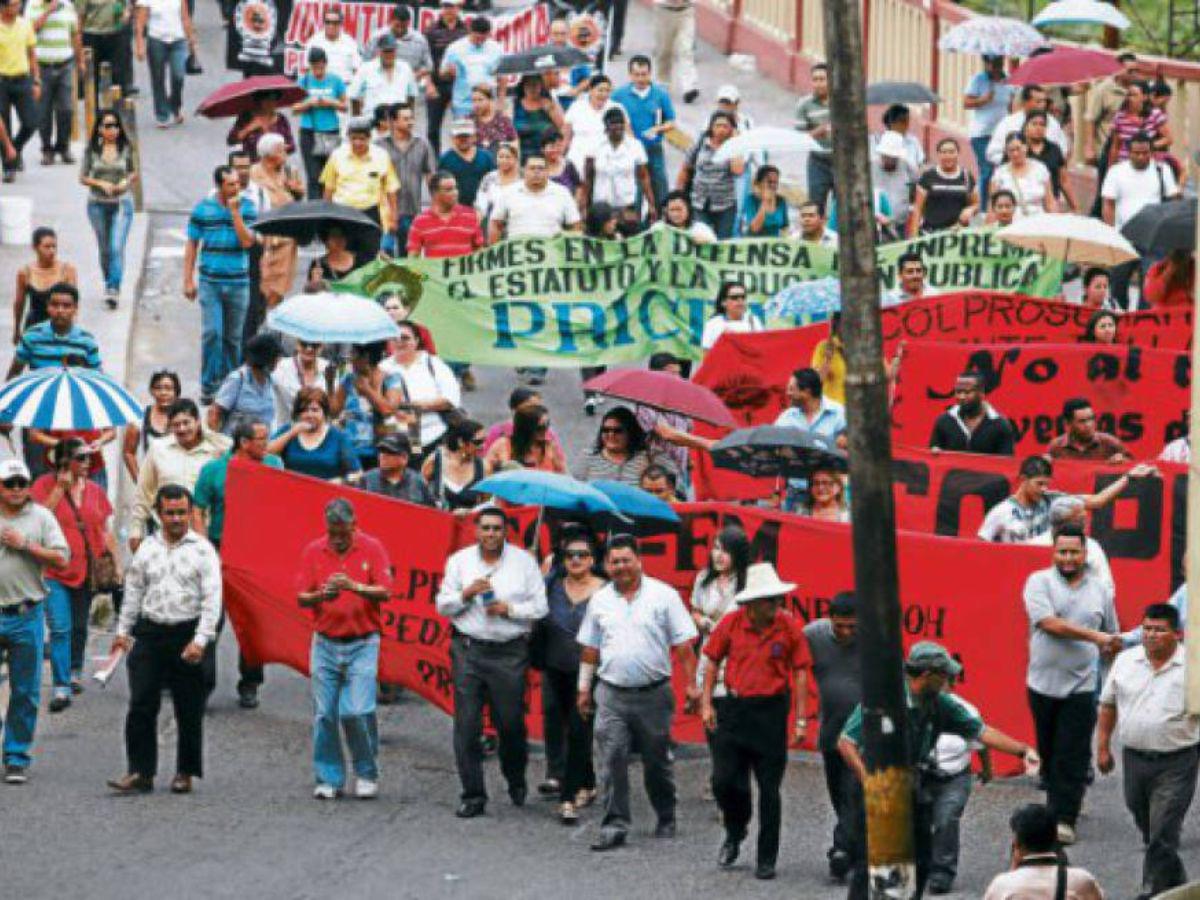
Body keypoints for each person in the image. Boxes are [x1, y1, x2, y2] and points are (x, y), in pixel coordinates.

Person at [840, 641, 1042, 898]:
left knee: (920, 860)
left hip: (912, 784)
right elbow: (846, 742)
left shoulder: (941, 703)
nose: (949, 680)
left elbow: (981, 731)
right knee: (873, 862)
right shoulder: (885, 699)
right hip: (877, 785)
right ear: (927, 675)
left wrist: (1023, 751)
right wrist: (869, 781)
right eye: (944, 675)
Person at [577, 533, 699, 851]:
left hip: (654, 695)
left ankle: (666, 813)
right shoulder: (600, 600)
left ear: (639, 561)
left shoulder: (664, 596)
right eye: (614, 562)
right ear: (607, 565)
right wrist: (583, 688)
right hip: (611, 694)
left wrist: (693, 685)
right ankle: (614, 825)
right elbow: (590, 648)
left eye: (626, 560)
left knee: (656, 761)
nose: (621, 567)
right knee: (612, 758)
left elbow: (684, 646)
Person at [107, 484, 221, 796]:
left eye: (182, 512)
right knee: (141, 703)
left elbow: (212, 600)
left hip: (187, 633)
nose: (176, 519)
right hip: (150, 632)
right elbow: (133, 592)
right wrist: (122, 632)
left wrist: (201, 640)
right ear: (159, 514)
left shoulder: (203, 551)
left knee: (189, 707)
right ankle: (140, 771)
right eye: (170, 513)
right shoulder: (147, 548)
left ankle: (186, 771)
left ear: (190, 513)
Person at [436, 506, 547, 817]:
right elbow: (442, 605)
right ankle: (473, 794)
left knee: (510, 725)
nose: (491, 534)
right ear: (476, 531)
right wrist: (466, 594)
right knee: (466, 725)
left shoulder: (524, 562)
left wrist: (508, 609)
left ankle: (515, 777)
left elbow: (540, 607)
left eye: (497, 528)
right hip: (468, 650)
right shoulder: (460, 561)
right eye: (485, 528)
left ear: (506, 531)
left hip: (509, 653)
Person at [701, 562, 809, 882]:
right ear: (752, 603)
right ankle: (735, 829)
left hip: (771, 712)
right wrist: (706, 703)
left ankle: (767, 858)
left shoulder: (788, 626)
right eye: (769, 600)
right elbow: (711, 661)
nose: (776, 605)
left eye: (777, 599)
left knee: (770, 789)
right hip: (734, 708)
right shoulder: (731, 624)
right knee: (724, 781)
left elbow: (800, 670)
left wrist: (801, 719)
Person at [1024, 524, 1121, 845]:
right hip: (1041, 684)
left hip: (1082, 686)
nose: (1068, 558)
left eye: (1074, 552)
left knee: (1072, 752)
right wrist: (1094, 636)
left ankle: (1064, 817)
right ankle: (1060, 800)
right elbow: (1048, 623)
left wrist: (1114, 672)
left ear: (1085, 553)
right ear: (1053, 552)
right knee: (1049, 753)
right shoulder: (1038, 582)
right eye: (1062, 551)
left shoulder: (1101, 590)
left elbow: (1111, 634)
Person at [1099, 603, 1199, 898]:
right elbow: (1108, 705)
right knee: (1140, 813)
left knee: (1163, 829)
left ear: (1177, 634)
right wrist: (1102, 746)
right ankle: (1176, 882)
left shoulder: (1192, 668)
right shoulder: (1126, 661)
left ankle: (1153, 890)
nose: (1151, 635)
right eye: (1147, 629)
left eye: (1159, 630)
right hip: (1135, 758)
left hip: (1177, 761)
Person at [296, 497, 392, 800]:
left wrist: (354, 586)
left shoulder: (372, 548)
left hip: (363, 642)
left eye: (343, 533)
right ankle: (329, 777)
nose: (337, 539)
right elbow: (301, 596)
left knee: (356, 711)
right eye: (332, 532)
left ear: (354, 526)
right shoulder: (314, 550)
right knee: (325, 714)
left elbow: (386, 591)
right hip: (325, 642)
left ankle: (366, 771)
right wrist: (321, 595)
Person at [192, 417, 280, 708]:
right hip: (221, 549)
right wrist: (206, 549)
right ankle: (202, 685)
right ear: (244, 443)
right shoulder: (214, 470)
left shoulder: (274, 466)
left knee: (253, 623)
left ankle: (250, 682)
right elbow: (198, 509)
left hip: (257, 553)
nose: (267, 444)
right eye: (262, 439)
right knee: (210, 619)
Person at [31, 438, 116, 711]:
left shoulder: (95, 490)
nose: (87, 462)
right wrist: (60, 489)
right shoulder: (43, 485)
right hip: (53, 571)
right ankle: (61, 686)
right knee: (60, 628)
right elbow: (35, 521)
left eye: (88, 457)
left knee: (79, 626)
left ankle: (74, 670)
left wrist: (116, 564)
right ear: (64, 461)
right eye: (81, 457)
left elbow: (105, 529)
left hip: (86, 571)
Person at [0, 457, 68, 782]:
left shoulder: (41, 517)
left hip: (26, 613)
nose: (16, 489)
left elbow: (62, 558)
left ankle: (16, 756)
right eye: (9, 484)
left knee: (25, 690)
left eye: (21, 484)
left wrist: (26, 544)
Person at [536, 530, 604, 823]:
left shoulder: (605, 590)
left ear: (592, 559)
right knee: (557, 722)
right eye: (570, 555)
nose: (575, 560)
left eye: (582, 555)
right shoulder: (551, 584)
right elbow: (532, 605)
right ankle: (587, 783)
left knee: (579, 729)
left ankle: (568, 797)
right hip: (554, 668)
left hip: (589, 671)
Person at [184, 165, 257, 405]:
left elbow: (247, 242)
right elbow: (192, 244)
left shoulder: (248, 208)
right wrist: (188, 279)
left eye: (238, 184)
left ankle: (230, 385)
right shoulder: (203, 210)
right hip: (210, 282)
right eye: (230, 184)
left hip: (238, 282)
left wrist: (235, 214)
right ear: (219, 186)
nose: (236, 188)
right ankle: (209, 384)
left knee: (233, 338)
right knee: (212, 333)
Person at [803, 592, 860, 882]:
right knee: (838, 792)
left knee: (852, 790)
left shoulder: (877, 639)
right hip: (830, 731)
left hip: (863, 736)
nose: (846, 632)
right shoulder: (813, 635)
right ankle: (854, 847)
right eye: (840, 626)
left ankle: (841, 850)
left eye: (852, 627)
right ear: (829, 620)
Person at [978, 455, 1153, 544]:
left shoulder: (1054, 501)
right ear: (1023, 479)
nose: (1044, 489)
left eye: (1046, 484)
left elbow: (1097, 501)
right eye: (1039, 484)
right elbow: (981, 548)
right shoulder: (1000, 511)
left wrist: (1128, 478)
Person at [129, 399, 229, 549]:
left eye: (186, 423)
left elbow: (233, 446)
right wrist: (135, 531)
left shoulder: (215, 450)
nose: (182, 429)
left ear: (198, 421)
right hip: (167, 534)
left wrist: (207, 433)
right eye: (176, 425)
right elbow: (144, 491)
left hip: (206, 533)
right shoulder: (158, 449)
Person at [1101, 132, 1179, 307]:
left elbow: (1173, 200)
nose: (1141, 157)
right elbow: (1108, 204)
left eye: (1145, 153)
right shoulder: (1116, 172)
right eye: (1137, 153)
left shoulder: (1162, 170)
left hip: (1154, 237)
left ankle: (1142, 318)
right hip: (1123, 236)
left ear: (1151, 152)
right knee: (1118, 282)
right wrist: (1110, 234)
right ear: (1129, 152)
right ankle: (1118, 314)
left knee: (1149, 285)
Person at [982, 803, 1106, 899]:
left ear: (1017, 844)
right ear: (1055, 840)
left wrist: (1014, 869)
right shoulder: (1082, 880)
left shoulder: (1002, 885)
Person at [80, 109, 138, 307]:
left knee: (116, 246)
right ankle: (109, 281)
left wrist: (124, 182)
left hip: (121, 203)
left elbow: (133, 172)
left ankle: (113, 287)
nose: (112, 130)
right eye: (107, 126)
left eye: (115, 125)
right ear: (99, 129)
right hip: (97, 204)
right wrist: (99, 183)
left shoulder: (126, 148)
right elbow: (83, 177)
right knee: (104, 248)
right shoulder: (92, 150)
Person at [379, 320, 460, 461]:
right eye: (394, 338)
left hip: (435, 436)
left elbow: (450, 399)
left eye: (405, 338)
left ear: (416, 341)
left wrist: (411, 406)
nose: (399, 342)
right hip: (396, 442)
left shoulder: (433, 363)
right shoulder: (383, 368)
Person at [321, 117, 397, 263]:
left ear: (369, 138)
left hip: (370, 213)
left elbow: (391, 188)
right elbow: (329, 188)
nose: (357, 143)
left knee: (370, 256)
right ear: (348, 138)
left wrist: (393, 216)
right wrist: (326, 216)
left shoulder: (381, 156)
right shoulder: (337, 156)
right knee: (344, 255)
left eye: (362, 139)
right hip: (343, 214)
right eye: (353, 138)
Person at [774, 366, 846, 509]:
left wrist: (844, 444)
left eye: (792, 389)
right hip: (797, 493)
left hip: (829, 495)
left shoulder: (838, 413)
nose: (787, 393)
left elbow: (854, 446)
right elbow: (772, 445)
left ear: (806, 392)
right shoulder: (786, 417)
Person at [613, 55, 675, 209]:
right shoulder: (619, 95)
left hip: (653, 149)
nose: (640, 79)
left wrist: (658, 129)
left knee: (660, 187)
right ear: (630, 75)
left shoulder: (660, 94)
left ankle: (661, 216)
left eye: (644, 74)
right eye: (637, 75)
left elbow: (671, 122)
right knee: (634, 192)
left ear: (650, 73)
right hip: (629, 150)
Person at [6, 282, 98, 383]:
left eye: (66, 306)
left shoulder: (87, 341)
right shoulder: (31, 336)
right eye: (54, 305)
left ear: (75, 308)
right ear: (47, 306)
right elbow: (14, 375)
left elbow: (96, 376)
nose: (60, 310)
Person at [376, 103, 434, 255]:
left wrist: (435, 203)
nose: (410, 122)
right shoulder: (379, 146)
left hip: (412, 209)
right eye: (405, 119)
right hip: (385, 211)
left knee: (408, 255)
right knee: (385, 254)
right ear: (393, 121)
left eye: (411, 118)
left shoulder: (422, 144)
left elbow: (430, 175)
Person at [488, 150, 581, 243]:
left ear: (547, 171)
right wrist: (494, 248)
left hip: (552, 249)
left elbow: (575, 225)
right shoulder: (509, 192)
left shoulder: (562, 192)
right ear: (524, 170)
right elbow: (495, 223)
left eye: (541, 168)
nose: (536, 172)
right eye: (532, 168)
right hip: (516, 248)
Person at [678, 111, 745, 240]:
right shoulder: (700, 143)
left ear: (731, 129)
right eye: (718, 125)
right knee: (701, 237)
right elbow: (685, 168)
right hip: (699, 201)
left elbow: (737, 170)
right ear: (711, 127)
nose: (721, 129)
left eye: (725, 126)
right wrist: (679, 195)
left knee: (723, 241)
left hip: (725, 204)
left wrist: (735, 143)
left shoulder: (734, 147)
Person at [268, 387, 359, 481]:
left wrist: (340, 481)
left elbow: (356, 473)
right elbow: (266, 452)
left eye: (315, 410)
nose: (309, 415)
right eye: (304, 410)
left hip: (328, 488)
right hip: (293, 487)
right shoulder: (289, 430)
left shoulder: (338, 436)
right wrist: (292, 433)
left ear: (324, 412)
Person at [29, 0, 80, 162]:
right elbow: (29, 32)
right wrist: (47, 12)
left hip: (65, 63)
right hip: (42, 65)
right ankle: (46, 149)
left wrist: (80, 61)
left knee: (66, 108)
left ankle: (63, 147)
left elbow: (75, 33)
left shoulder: (67, 6)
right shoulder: (32, 5)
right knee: (43, 110)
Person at [294, 48, 347, 200]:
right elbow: (295, 108)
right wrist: (309, 103)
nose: (317, 70)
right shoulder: (304, 81)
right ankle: (314, 207)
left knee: (329, 174)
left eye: (320, 66)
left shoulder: (335, 80)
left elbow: (344, 106)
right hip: (309, 131)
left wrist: (330, 102)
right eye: (314, 66)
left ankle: (329, 205)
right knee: (313, 175)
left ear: (325, 64)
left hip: (329, 130)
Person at [963, 55, 1013, 209]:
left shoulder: (1009, 81)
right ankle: (984, 208)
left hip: (1002, 134)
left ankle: (1000, 204)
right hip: (981, 134)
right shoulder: (978, 80)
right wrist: (982, 100)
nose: (993, 67)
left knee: (1003, 168)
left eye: (997, 63)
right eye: (989, 63)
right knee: (987, 169)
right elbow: (966, 102)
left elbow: (1012, 104)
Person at [133, 0, 191, 130]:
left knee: (178, 75)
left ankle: (175, 105)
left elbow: (185, 17)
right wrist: (140, 44)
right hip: (156, 40)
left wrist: (191, 41)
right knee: (158, 78)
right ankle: (162, 114)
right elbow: (140, 22)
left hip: (178, 40)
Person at [0, 0, 41, 183]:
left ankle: (15, 149)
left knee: (31, 122)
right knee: (4, 124)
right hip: (2, 80)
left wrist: (36, 80)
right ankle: (9, 167)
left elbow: (32, 54)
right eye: (13, 5)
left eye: (19, 5)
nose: (18, 8)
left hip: (22, 78)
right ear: (3, 7)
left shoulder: (25, 24)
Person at [928, 370, 1015, 455]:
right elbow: (933, 453)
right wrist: (935, 452)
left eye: (967, 392)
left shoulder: (1001, 425)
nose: (961, 397)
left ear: (981, 393)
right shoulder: (944, 421)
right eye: (958, 392)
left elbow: (1005, 462)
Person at [12, 226, 76, 341]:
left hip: (59, 326)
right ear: (35, 248)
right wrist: (17, 329)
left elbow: (73, 302)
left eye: (54, 246)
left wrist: (72, 330)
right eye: (47, 247)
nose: (52, 251)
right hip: (34, 327)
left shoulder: (66, 270)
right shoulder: (26, 272)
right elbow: (19, 303)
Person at [422, 0, 468, 154]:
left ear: (458, 7)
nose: (448, 10)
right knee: (433, 128)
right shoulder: (430, 31)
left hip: (459, 85)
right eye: (445, 6)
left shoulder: (465, 31)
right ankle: (434, 160)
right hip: (437, 83)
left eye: (451, 6)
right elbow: (425, 60)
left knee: (462, 126)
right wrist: (428, 84)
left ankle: (460, 157)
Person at [408, 169, 484, 259]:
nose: (455, 193)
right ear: (435, 194)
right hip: (435, 268)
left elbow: (480, 253)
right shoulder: (420, 221)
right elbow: (412, 257)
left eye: (455, 188)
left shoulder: (470, 216)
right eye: (449, 190)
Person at [985, 84, 1068, 167]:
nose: (1043, 105)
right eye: (1038, 101)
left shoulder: (1053, 123)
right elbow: (992, 153)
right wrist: (1015, 162)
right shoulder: (1008, 123)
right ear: (1026, 102)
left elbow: (1063, 149)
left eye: (1045, 101)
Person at [909, 138, 978, 236]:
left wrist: (971, 210)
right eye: (944, 152)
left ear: (958, 154)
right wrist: (914, 236)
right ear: (938, 154)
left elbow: (976, 203)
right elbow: (917, 209)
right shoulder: (928, 176)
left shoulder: (966, 177)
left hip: (957, 234)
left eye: (951, 152)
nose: (948, 156)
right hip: (930, 234)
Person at [441, 15, 501, 123]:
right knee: (464, 132)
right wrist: (448, 72)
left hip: (487, 103)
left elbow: (503, 76)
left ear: (489, 34)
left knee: (487, 133)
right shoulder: (455, 48)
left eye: (483, 39)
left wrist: (501, 102)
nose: (480, 41)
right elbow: (442, 72)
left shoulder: (496, 48)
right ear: (470, 31)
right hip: (463, 104)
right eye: (477, 38)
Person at [122, 369, 180, 481]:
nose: (163, 392)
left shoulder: (184, 416)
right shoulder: (140, 418)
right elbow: (128, 452)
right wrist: (139, 481)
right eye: (158, 388)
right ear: (152, 391)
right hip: (152, 481)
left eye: (168, 388)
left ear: (176, 392)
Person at [422, 417, 487, 513]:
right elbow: (419, 493)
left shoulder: (483, 466)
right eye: (477, 442)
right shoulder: (436, 459)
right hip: (438, 518)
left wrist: (468, 512)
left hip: (468, 521)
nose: (482, 446)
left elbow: (485, 505)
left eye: (484, 441)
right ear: (461, 442)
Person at [574, 407, 653, 486]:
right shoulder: (588, 457)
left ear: (630, 432)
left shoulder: (645, 459)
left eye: (617, 431)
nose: (611, 435)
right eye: (606, 430)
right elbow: (575, 488)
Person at [349, 33, 415, 122]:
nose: (389, 54)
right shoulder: (366, 69)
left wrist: (410, 119)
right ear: (379, 51)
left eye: (391, 51)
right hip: (373, 121)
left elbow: (411, 96)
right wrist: (357, 121)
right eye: (386, 51)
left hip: (398, 122)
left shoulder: (405, 68)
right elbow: (354, 96)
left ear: (396, 51)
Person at [991, 132, 1055, 219]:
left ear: (1026, 147)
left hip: (1038, 221)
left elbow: (1050, 202)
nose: (1015, 153)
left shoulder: (1040, 168)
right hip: (1010, 222)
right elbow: (992, 206)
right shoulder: (1000, 173)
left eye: (1018, 149)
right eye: (1011, 150)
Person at [484, 404, 565, 473]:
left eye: (547, 425)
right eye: (539, 428)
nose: (545, 430)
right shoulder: (502, 445)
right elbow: (486, 471)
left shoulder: (550, 446)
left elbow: (562, 475)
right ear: (524, 429)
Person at [1047, 397, 1131, 462]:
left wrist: (1123, 461)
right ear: (1068, 423)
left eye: (1091, 419)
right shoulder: (1056, 447)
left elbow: (1134, 470)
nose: (1089, 425)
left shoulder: (1110, 443)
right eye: (1082, 421)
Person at [795, 62, 832, 212]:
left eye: (822, 79)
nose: (818, 84)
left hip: (841, 162)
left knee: (842, 206)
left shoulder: (842, 103)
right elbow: (799, 138)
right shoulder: (804, 105)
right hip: (818, 161)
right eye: (815, 79)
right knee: (816, 206)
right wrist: (819, 131)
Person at [1024, 111, 1077, 213]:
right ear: (1026, 126)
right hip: (1027, 204)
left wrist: (1074, 206)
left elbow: (1064, 179)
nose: (1038, 128)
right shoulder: (1018, 149)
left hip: (1052, 204)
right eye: (1034, 124)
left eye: (1042, 125)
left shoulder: (1054, 149)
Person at [359, 434, 434, 505]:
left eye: (390, 452)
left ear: (404, 458)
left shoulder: (417, 482)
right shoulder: (367, 480)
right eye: (381, 451)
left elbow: (431, 511)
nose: (383, 455)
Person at [1108, 81, 1170, 164]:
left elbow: (1168, 139)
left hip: (1146, 164)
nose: (1130, 98)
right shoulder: (1119, 117)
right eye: (1129, 95)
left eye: (1134, 95)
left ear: (1144, 97)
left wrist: (1148, 146)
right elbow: (1115, 147)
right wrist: (1111, 168)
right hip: (1124, 164)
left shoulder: (1154, 114)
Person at [437, 118, 494, 209]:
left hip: (483, 209)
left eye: (466, 136)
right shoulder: (445, 159)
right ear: (452, 137)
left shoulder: (486, 157)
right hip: (455, 210)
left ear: (474, 137)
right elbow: (440, 189)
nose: (463, 139)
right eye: (459, 136)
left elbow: (494, 184)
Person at [226, 90, 295, 162]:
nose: (270, 103)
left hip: (276, 163)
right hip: (252, 163)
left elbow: (291, 146)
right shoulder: (246, 117)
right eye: (266, 99)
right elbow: (231, 140)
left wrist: (278, 147)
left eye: (274, 99)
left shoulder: (281, 119)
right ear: (259, 100)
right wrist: (249, 128)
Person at [873, 130, 919, 236]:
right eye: (885, 156)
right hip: (875, 224)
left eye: (892, 157)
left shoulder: (909, 168)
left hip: (899, 223)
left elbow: (915, 192)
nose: (888, 159)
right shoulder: (870, 167)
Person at [511, 73, 564, 163]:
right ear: (523, 86)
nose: (532, 88)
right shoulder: (515, 105)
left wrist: (550, 108)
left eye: (535, 85)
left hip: (547, 156)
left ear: (541, 86)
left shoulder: (549, 103)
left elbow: (561, 126)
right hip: (522, 156)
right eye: (529, 85)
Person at [700, 281, 764, 351]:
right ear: (723, 302)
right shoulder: (713, 324)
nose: (740, 300)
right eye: (734, 297)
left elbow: (761, 350)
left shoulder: (754, 321)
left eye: (743, 297)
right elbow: (707, 355)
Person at [303, 5, 359, 84]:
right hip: (321, 86)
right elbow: (307, 69)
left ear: (341, 24)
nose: (331, 26)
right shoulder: (313, 42)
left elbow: (357, 70)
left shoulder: (350, 43)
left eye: (335, 23)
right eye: (328, 22)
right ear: (324, 23)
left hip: (345, 85)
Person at [473, 141, 520, 228]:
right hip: (492, 223)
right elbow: (481, 203)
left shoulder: (522, 179)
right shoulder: (489, 178)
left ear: (515, 159)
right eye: (501, 157)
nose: (504, 160)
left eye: (508, 157)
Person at [740, 165, 788, 237]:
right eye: (769, 182)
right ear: (759, 183)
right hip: (754, 242)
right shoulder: (750, 199)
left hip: (774, 242)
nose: (773, 185)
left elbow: (784, 227)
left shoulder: (781, 200)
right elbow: (754, 228)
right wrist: (765, 202)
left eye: (775, 182)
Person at [469, 81, 515, 152]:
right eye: (473, 100)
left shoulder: (503, 120)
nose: (476, 104)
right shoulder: (468, 121)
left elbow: (514, 143)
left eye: (480, 100)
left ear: (490, 100)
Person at [879, 102, 924, 170]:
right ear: (892, 122)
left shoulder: (913, 141)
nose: (907, 125)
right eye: (903, 121)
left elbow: (920, 164)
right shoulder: (879, 140)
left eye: (908, 121)